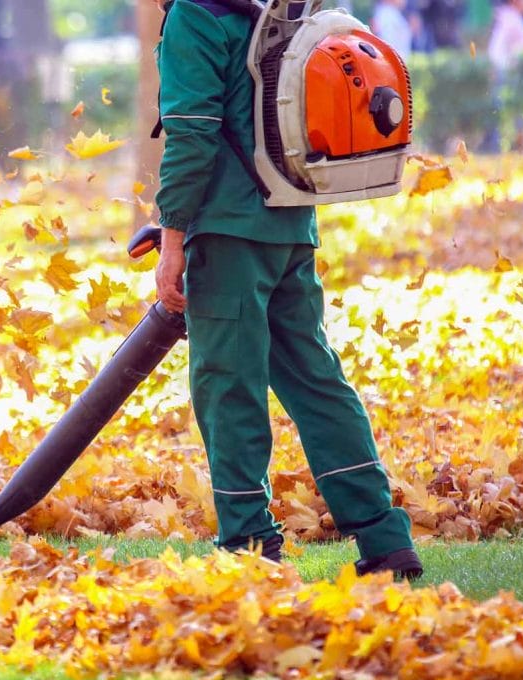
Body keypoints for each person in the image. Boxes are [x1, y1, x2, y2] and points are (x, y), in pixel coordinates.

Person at [151, 0, 423, 579]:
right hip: (290, 220)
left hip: (228, 230)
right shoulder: (269, 5)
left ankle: (249, 544)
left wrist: (173, 236)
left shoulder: (195, 16)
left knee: (229, 384)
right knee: (316, 379)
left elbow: (192, 134)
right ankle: (383, 538)